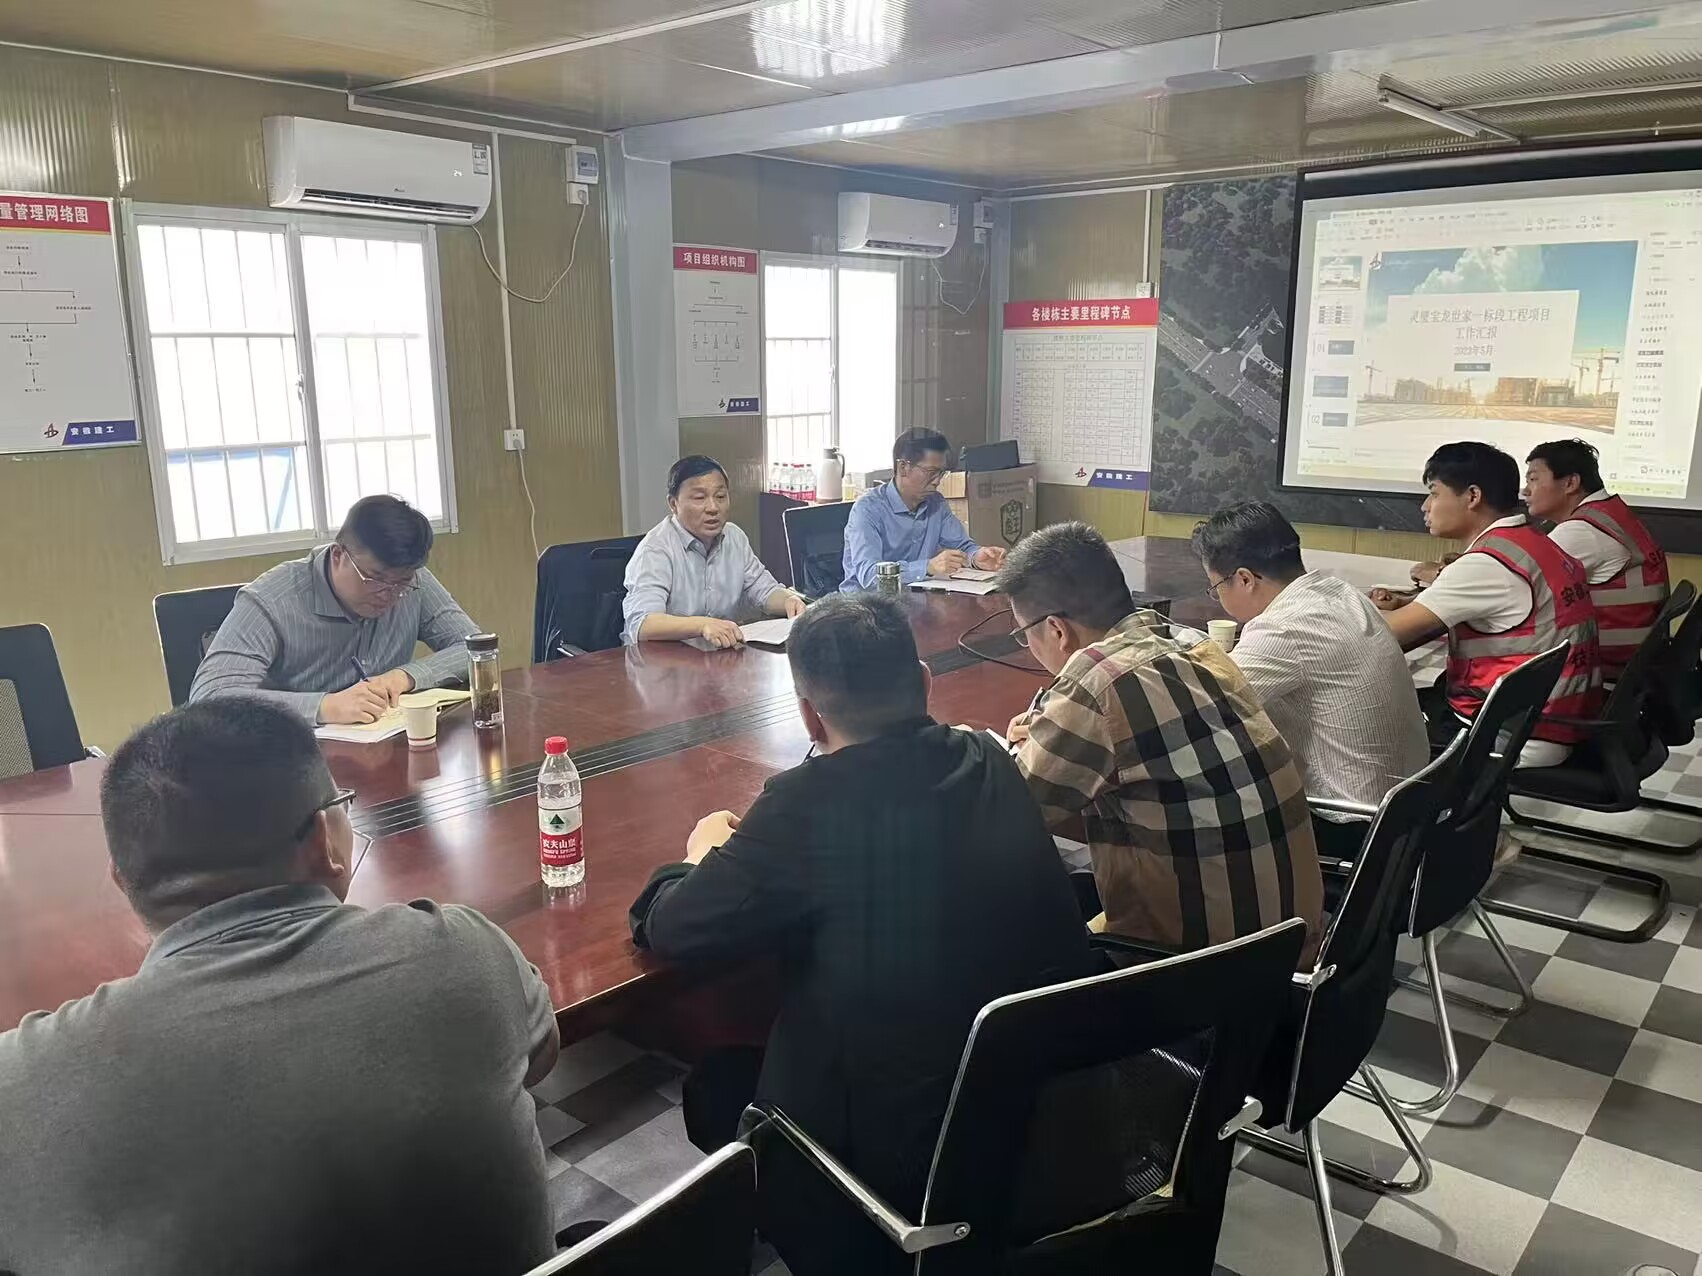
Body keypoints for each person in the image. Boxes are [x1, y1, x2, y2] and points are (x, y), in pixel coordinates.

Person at [0, 699, 559, 1276]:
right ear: (326, 840)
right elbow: (541, 1056)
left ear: (124, 882)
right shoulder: (465, 952)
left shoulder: (19, 1082)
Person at [629, 593, 1092, 1276]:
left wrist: (700, 858)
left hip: (905, 1176)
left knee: (716, 1089)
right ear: (925, 684)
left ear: (809, 714)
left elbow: (672, 928)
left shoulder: (806, 803)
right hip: (1052, 1130)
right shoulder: (989, 758)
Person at [999, 522, 1323, 963]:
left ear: (1056, 629)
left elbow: (1014, 814)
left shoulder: (1095, 683)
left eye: (1024, 634)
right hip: (1290, 945)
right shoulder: (1192, 644)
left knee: (1014, 938)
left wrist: (1027, 745)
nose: (1028, 646)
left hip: (1202, 971)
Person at [1193, 502, 1429, 862]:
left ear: (1244, 579)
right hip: (1408, 804)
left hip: (1353, 826)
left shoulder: (1283, 628)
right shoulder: (1340, 592)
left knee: (1196, 791)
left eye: (1215, 587)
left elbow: (1201, 707)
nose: (1218, 598)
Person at [1372, 441, 1603, 767]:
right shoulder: (1533, 542)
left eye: (1434, 493)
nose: (1425, 506)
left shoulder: (1485, 564)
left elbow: (1376, 636)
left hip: (1510, 733)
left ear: (1472, 496)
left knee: (1360, 722)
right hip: (1551, 718)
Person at [190, 494, 480, 726]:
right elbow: (209, 698)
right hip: (290, 759)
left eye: (401, 583)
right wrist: (324, 706)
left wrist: (405, 676)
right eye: (375, 579)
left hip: (386, 749)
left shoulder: (414, 582)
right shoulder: (271, 599)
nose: (389, 594)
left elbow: (476, 648)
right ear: (339, 554)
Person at [623, 455, 805, 649]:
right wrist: (702, 625)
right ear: (673, 504)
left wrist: (789, 601)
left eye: (720, 496)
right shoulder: (655, 549)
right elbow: (643, 624)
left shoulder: (734, 537)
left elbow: (764, 590)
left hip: (715, 655)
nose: (713, 508)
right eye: (699, 498)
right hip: (658, 660)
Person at [1524, 438, 1668, 676]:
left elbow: (1514, 583)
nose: (1525, 490)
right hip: (1637, 662)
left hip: (1607, 668)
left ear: (1570, 483)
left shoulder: (1581, 532)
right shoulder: (1612, 512)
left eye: (1533, 479)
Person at [840, 427, 1007, 591]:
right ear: (903, 467)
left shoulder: (936, 503)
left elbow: (962, 545)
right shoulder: (867, 510)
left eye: (941, 473)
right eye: (931, 472)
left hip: (914, 598)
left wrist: (976, 557)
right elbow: (869, 576)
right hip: (867, 603)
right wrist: (927, 567)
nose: (937, 481)